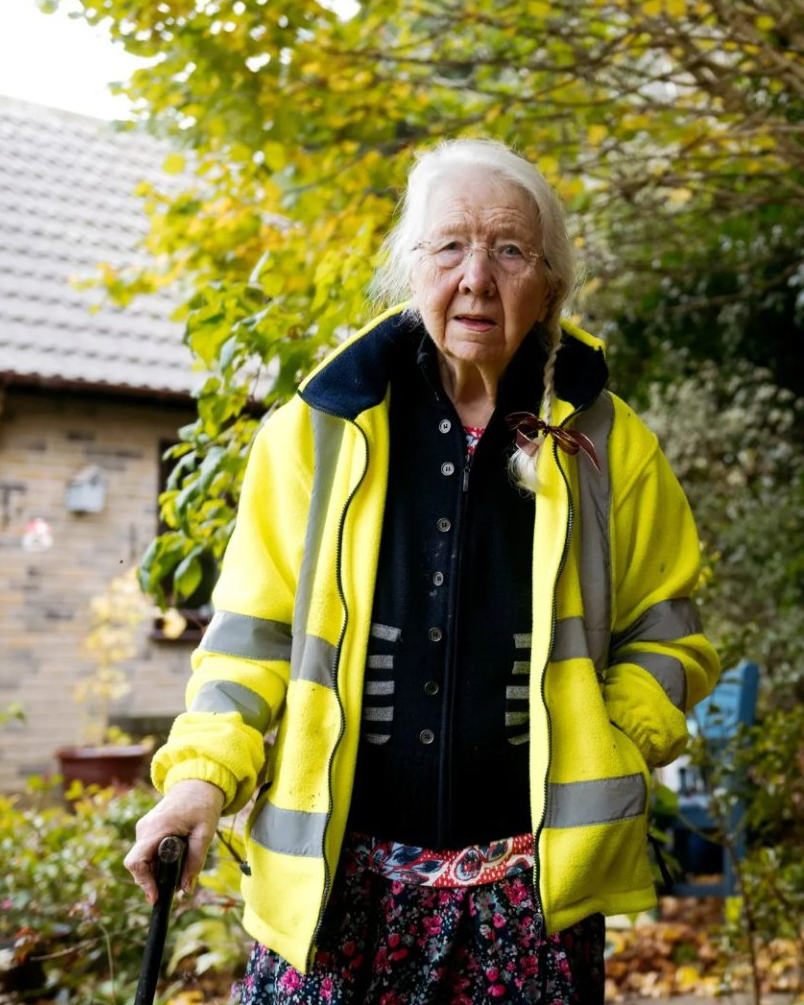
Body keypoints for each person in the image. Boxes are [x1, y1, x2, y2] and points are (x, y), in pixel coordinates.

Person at [123, 139, 720, 1003]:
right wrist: (196, 784)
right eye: (449, 246)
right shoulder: (316, 434)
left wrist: (612, 735)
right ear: (411, 269)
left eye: (509, 249)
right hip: (336, 899)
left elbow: (670, 636)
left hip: (528, 903)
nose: (475, 276)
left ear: (549, 283)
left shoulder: (609, 446)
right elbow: (252, 641)